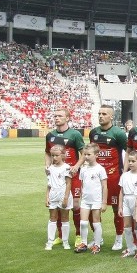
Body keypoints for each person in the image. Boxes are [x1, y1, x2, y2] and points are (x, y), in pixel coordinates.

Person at [88, 104, 128, 250]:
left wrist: (126, 172)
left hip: (113, 177)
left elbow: (128, 152)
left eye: (104, 114)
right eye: (99, 113)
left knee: (117, 208)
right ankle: (98, 238)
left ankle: (118, 238)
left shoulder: (118, 133)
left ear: (112, 116)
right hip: (95, 178)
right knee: (93, 207)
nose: (101, 116)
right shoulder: (93, 133)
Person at [45, 107, 85, 244]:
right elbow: (47, 152)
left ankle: (78, 235)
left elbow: (84, 153)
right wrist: (47, 165)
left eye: (60, 116)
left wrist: (77, 166)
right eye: (55, 116)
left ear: (67, 118)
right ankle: (61, 236)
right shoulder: (50, 135)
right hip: (57, 177)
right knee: (56, 205)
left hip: (72, 176)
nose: (56, 118)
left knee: (74, 205)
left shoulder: (75, 135)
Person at [75, 143, 108, 254]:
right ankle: (83, 243)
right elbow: (82, 184)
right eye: (85, 154)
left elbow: (104, 186)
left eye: (89, 154)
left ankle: (97, 244)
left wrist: (104, 202)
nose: (86, 157)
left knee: (96, 223)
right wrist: (80, 197)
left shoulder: (100, 169)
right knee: (83, 222)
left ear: (96, 155)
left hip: (96, 200)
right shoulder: (83, 169)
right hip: (85, 200)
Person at [44, 145, 72, 250]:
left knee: (65, 218)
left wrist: (66, 197)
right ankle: (50, 241)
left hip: (63, 194)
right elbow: (49, 184)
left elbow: (69, 184)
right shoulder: (50, 168)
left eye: (56, 155)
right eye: (52, 156)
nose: (54, 158)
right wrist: (46, 197)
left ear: (63, 155)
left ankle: (65, 242)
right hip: (53, 195)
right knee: (52, 218)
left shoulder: (67, 167)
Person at [118, 150, 137, 258]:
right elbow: (121, 191)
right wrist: (120, 206)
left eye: (133, 161)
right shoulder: (124, 175)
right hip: (126, 200)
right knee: (127, 226)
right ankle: (131, 248)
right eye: (129, 161)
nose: (130, 163)